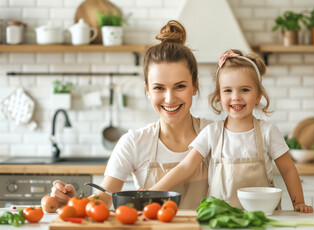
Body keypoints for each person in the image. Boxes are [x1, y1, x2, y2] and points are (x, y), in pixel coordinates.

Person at [50, 20, 212, 209]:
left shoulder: (216, 134)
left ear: (195, 86)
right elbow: (103, 199)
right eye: (159, 88)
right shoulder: (134, 142)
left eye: (180, 86)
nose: (169, 99)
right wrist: (74, 202)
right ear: (147, 91)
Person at [149, 49, 314, 213]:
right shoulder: (211, 132)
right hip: (221, 221)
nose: (236, 97)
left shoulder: (268, 131)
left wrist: (298, 202)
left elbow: (288, 169)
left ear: (258, 96)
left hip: (263, 218)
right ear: (219, 97)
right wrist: (152, 192)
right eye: (228, 90)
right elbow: (185, 167)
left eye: (245, 90)